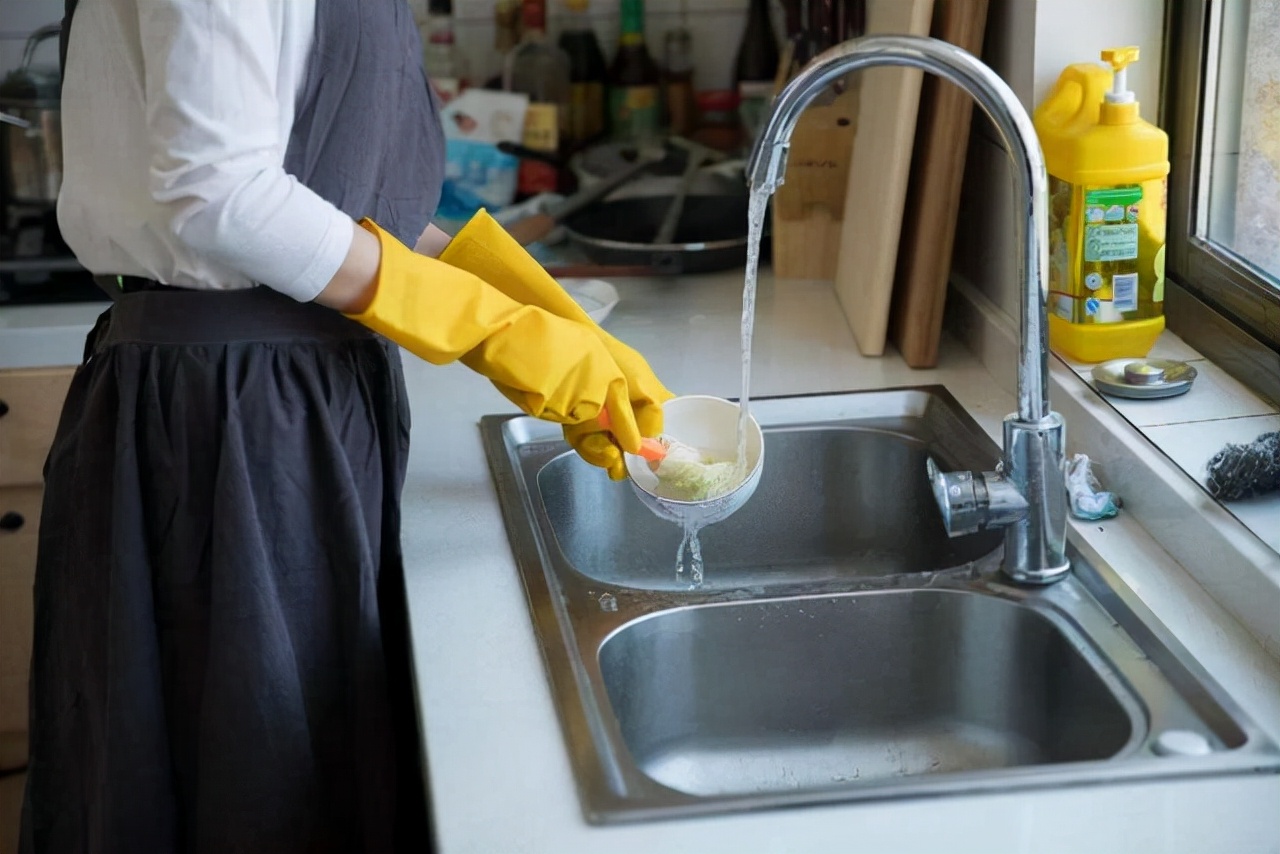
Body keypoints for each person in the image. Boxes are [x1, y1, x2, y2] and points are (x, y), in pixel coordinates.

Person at [21, 0, 671, 851]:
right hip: (230, 414)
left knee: (313, 759)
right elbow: (219, 197)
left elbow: (341, 209)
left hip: (293, 391)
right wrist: (483, 326)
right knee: (252, 775)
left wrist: (533, 314)